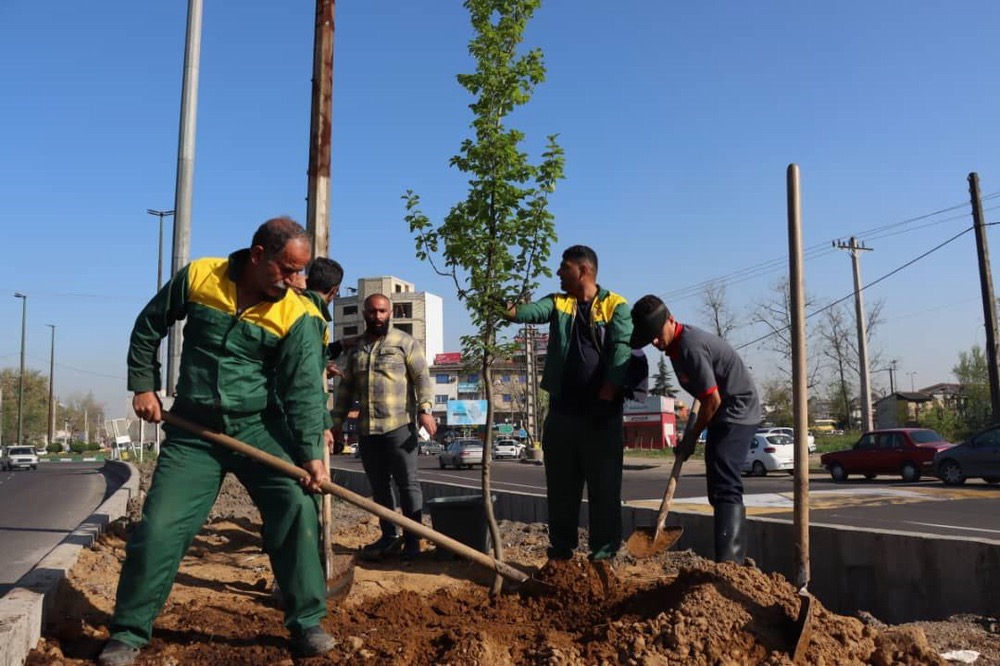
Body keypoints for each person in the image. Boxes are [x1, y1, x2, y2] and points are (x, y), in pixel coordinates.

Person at [99, 218, 337, 666]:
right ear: (258, 255)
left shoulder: (299, 313)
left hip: (258, 428)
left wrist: (311, 456)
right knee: (160, 528)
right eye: (287, 270)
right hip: (193, 431)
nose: (294, 282)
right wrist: (143, 385)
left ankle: (306, 621)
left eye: (301, 272)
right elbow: (149, 325)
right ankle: (128, 633)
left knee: (295, 505)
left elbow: (303, 390)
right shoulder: (200, 276)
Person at [503, 245, 633, 562]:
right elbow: (530, 312)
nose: (559, 273)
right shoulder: (559, 303)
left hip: (601, 416)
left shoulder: (616, 306)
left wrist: (605, 400)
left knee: (604, 490)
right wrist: (509, 310)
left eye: (564, 268)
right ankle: (561, 555)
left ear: (583, 270)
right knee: (561, 489)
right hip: (562, 413)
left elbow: (620, 355)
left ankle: (603, 557)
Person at [629, 294, 761, 563]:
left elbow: (712, 399)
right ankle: (726, 556)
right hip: (722, 413)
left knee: (725, 484)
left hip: (737, 410)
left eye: (656, 334)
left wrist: (691, 435)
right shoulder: (676, 349)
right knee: (717, 484)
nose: (655, 342)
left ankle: (730, 563)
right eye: (649, 339)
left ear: (671, 320)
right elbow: (704, 396)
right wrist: (691, 430)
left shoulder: (690, 346)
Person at [330, 293, 436, 561]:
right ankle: (389, 536)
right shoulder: (357, 349)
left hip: (399, 426)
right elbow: (345, 389)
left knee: (408, 484)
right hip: (368, 430)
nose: (377, 316)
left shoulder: (405, 343)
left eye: (382, 311)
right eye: (372, 311)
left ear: (391, 313)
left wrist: (425, 410)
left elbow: (422, 378)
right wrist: (336, 423)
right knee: (379, 486)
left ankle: (413, 540)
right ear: (364, 314)